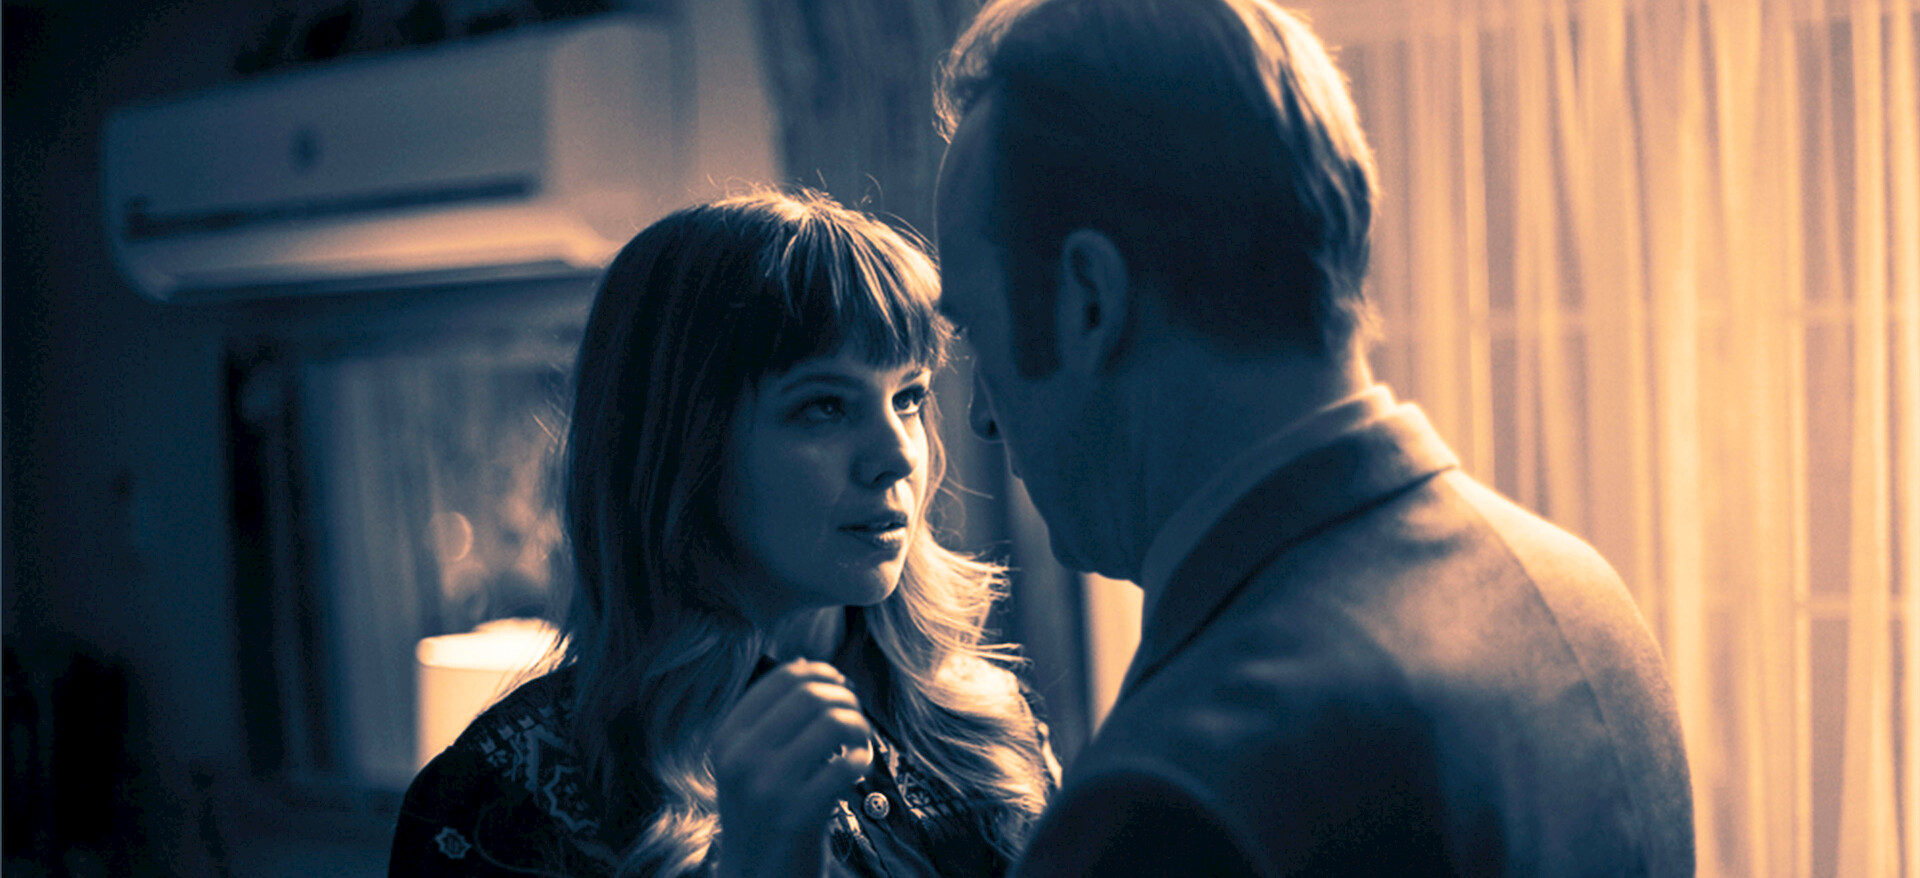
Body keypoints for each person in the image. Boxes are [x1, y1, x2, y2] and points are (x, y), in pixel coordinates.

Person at [930, 1, 1694, 875]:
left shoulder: (1170, 801)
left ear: (1089, 302)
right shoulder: (1585, 602)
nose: (982, 415)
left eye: (977, 334)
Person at [390, 190, 1058, 878]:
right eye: (825, 406)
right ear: (684, 445)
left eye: (908, 398)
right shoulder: (505, 801)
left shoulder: (983, 720)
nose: (897, 456)